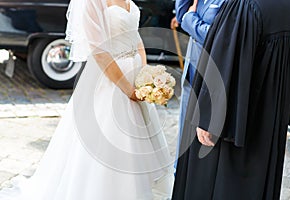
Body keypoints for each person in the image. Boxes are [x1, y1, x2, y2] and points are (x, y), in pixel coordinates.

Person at [0, 0, 174, 199]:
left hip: (136, 77)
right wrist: (128, 90)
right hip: (110, 81)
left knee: (139, 137)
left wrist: (145, 74)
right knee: (110, 139)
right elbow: (99, 53)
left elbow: (136, 38)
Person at [172, 0, 290, 199]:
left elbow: (227, 56)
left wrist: (208, 118)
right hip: (270, 125)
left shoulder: (246, 6)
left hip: (232, 127)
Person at [171, 0, 225, 171]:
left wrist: (190, 19)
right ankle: (179, 177)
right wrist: (187, 18)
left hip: (213, 76)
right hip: (191, 72)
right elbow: (181, 14)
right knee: (184, 137)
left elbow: (220, 37)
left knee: (204, 143)